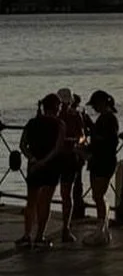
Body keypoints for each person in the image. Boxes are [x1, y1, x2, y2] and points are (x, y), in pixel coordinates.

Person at [17, 95, 63, 251]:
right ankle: (39, 236)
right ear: (56, 107)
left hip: (33, 166)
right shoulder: (59, 124)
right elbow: (57, 148)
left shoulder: (32, 123)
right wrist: (44, 161)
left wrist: (33, 159)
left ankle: (26, 235)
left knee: (31, 202)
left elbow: (22, 145)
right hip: (51, 166)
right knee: (45, 202)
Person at [82, 90, 121, 247]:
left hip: (103, 161)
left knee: (98, 195)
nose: (94, 108)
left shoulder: (109, 119)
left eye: (95, 105)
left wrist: (91, 128)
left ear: (102, 103)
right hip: (100, 160)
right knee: (98, 195)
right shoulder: (105, 118)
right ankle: (102, 228)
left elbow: (107, 141)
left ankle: (101, 229)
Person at [54, 89, 87, 243]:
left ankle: (66, 227)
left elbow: (82, 136)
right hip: (60, 156)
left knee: (66, 193)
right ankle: (65, 228)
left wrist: (75, 141)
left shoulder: (74, 116)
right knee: (61, 193)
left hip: (67, 157)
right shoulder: (57, 117)